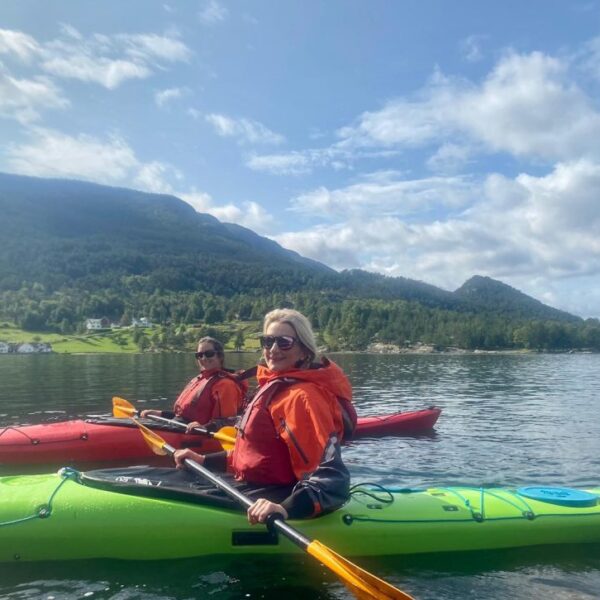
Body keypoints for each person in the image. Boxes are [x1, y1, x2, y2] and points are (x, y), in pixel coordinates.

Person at [173, 309, 355, 525]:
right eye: (267, 341)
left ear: (304, 351)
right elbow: (258, 458)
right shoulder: (275, 387)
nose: (273, 349)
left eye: (284, 342)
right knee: (144, 475)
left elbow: (330, 478)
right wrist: (204, 460)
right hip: (252, 485)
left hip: (278, 498)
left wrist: (285, 508)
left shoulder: (303, 397)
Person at [140, 336, 246, 428]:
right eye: (199, 355)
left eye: (209, 354)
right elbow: (183, 416)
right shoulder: (198, 380)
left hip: (199, 435)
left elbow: (229, 422)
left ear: (220, 356)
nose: (203, 358)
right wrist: (160, 414)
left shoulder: (226, 385)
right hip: (179, 427)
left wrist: (204, 427)